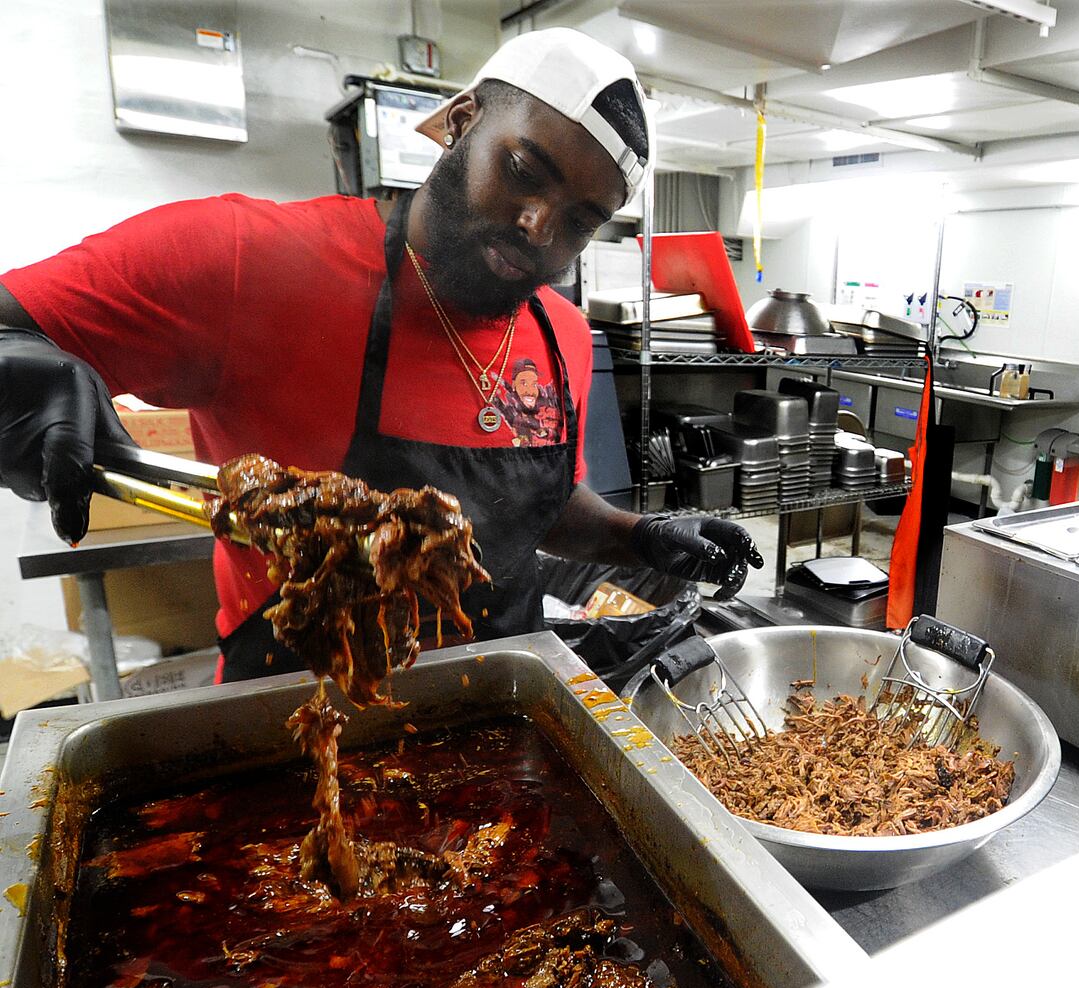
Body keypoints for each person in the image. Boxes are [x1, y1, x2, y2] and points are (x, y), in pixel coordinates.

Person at [0, 28, 760, 683]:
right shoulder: (250, 262)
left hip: (508, 716)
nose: (538, 226)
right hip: (302, 716)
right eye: (525, 172)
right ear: (462, 122)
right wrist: (20, 379)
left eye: (581, 221)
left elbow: (534, 512)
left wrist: (636, 538)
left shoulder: (561, 336)